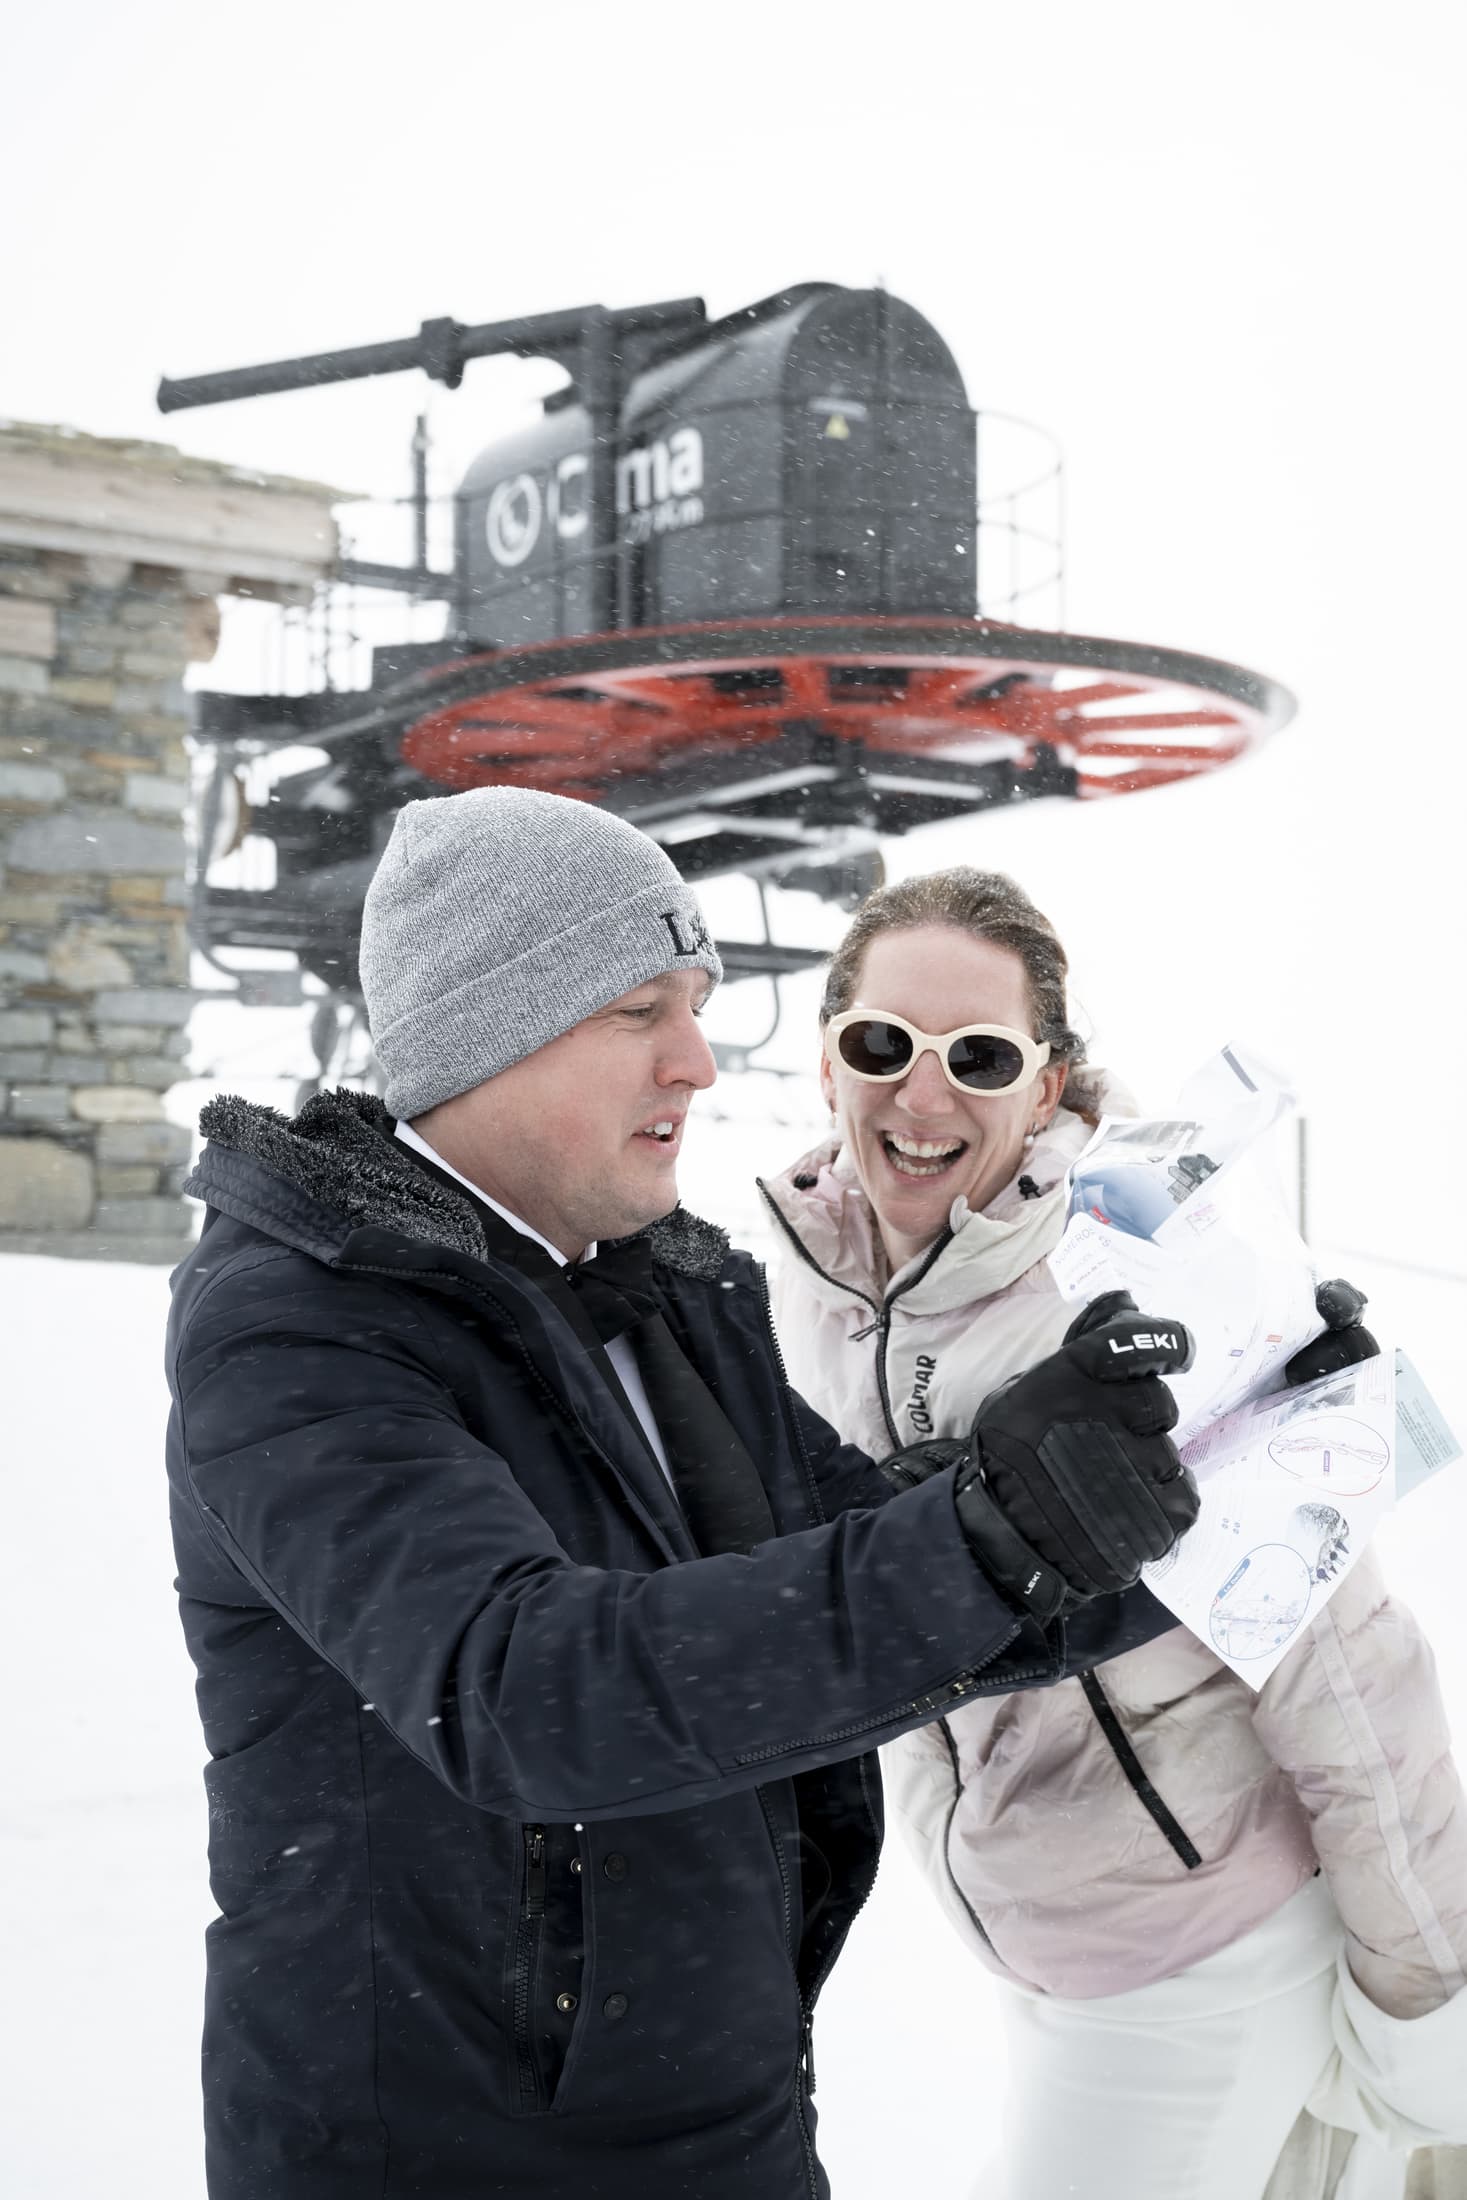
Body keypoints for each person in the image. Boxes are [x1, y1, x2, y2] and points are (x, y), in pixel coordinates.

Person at [164, 791, 1201, 2200]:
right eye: (642, 1010)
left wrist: (1196, 1467)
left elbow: (858, 1556)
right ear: (494, 1026)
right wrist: (994, 1533)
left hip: (733, 2124)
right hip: (449, 2159)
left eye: (697, 1004)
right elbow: (524, 1686)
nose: (700, 1063)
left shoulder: (666, 1290)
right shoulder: (300, 1329)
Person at [761, 865, 1467, 2200]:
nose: (920, 1097)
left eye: (977, 1056)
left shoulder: (1150, 1280)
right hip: (1041, 1935)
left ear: (1046, 1086)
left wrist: (1427, 1995)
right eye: (880, 1046)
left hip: (1204, 1947)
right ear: (824, 1061)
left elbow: (1348, 1659)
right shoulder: (812, 1281)